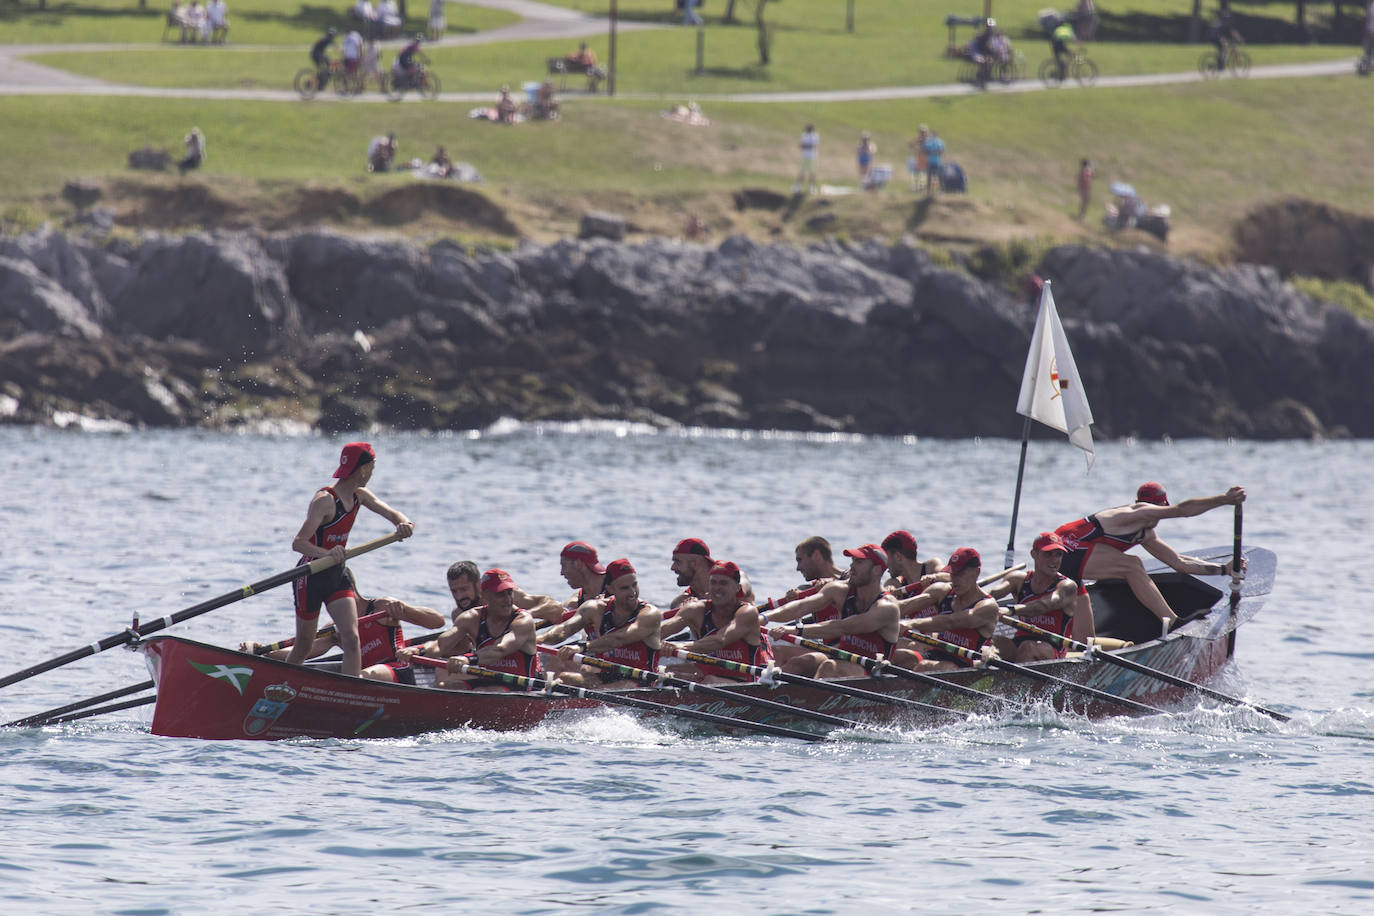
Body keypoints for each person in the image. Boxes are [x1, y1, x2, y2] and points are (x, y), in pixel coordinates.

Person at [285, 442, 415, 679]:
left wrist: (403, 523)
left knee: (352, 637)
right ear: (361, 469)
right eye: (371, 469)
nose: (372, 474)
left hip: (336, 576)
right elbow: (299, 543)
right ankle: (280, 684)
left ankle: (352, 691)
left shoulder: (361, 496)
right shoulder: (324, 501)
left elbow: (391, 513)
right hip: (310, 576)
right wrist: (326, 553)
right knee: (304, 644)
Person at [1054, 482, 1247, 631]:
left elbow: (1179, 563)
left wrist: (1224, 569)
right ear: (1161, 505)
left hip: (1076, 559)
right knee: (1133, 565)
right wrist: (1224, 499)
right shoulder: (1136, 513)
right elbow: (1183, 511)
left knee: (1086, 637)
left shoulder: (1144, 533)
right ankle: (1171, 623)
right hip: (1064, 550)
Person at [767, 544, 901, 678]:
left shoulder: (886, 607)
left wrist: (794, 630)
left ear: (877, 570)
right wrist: (764, 617)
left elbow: (841, 627)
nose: (852, 566)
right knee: (794, 660)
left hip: (873, 671)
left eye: (859, 562)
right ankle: (772, 692)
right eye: (853, 561)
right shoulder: (840, 591)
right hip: (841, 657)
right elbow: (801, 606)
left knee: (829, 667)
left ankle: (809, 696)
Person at [245, 594, 444, 683]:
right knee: (356, 677)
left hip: (397, 670)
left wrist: (406, 610)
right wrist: (261, 651)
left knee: (361, 678)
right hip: (364, 679)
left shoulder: (381, 607)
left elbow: (437, 622)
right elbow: (303, 652)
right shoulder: (334, 628)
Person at [538, 558, 663, 687]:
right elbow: (565, 629)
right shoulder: (594, 609)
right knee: (565, 679)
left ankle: (589, 702)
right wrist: (540, 638)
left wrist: (582, 647)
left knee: (623, 685)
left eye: (634, 585)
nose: (633, 592)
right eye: (625, 588)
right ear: (610, 589)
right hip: (608, 676)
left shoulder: (650, 614)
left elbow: (619, 638)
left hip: (642, 680)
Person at [412, 568, 542, 690]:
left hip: (522, 685)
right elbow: (441, 645)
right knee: (444, 687)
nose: (508, 599)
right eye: (501, 595)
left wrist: (467, 659)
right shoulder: (471, 618)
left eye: (509, 593)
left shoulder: (523, 620)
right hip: (488, 681)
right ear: (484, 596)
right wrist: (417, 651)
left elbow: (499, 649)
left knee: (492, 692)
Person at [661, 561, 772, 683]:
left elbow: (720, 640)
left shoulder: (747, 613)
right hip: (711, 674)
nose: (717, 588)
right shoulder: (695, 609)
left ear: (737, 588)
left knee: (710, 680)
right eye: (713, 583)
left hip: (744, 681)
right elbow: (662, 630)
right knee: (667, 672)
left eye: (723, 583)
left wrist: (679, 646)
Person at [990, 532, 1093, 663]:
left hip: (1053, 648)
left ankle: (1014, 683)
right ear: (1034, 554)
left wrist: (1011, 610)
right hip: (1020, 642)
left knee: (1029, 647)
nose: (1054, 560)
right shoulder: (1018, 580)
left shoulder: (1067, 586)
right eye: (1048, 554)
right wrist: (963, 593)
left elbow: (1043, 605)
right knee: (989, 641)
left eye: (1058, 555)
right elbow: (991, 594)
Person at [898, 547, 999, 670]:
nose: (955, 580)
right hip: (936, 655)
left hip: (966, 666)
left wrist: (910, 623)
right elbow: (903, 607)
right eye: (953, 574)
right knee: (899, 657)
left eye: (960, 574)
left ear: (977, 573)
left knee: (926, 666)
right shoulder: (942, 591)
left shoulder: (988, 606)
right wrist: (883, 602)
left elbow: (950, 622)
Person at [559, 540, 609, 610]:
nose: (561, 573)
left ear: (578, 564)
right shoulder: (574, 602)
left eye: (564, 566)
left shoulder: (620, 588)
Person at [669, 537, 713, 609]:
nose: (672, 567)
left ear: (695, 563)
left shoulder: (732, 588)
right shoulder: (681, 601)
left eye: (678, 562)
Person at [794, 124, 819, 194]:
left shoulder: (815, 135)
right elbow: (801, 145)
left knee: (812, 172)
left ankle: (812, 187)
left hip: (812, 157)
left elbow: (813, 146)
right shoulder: (804, 135)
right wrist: (806, 145)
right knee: (801, 172)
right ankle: (798, 187)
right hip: (804, 156)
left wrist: (805, 145)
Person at [922, 129, 945, 196]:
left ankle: (939, 190)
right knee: (930, 176)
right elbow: (925, 151)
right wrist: (935, 152)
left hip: (936, 161)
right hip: (931, 161)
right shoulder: (929, 142)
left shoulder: (939, 142)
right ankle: (929, 191)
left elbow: (941, 151)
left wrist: (932, 152)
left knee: (938, 176)